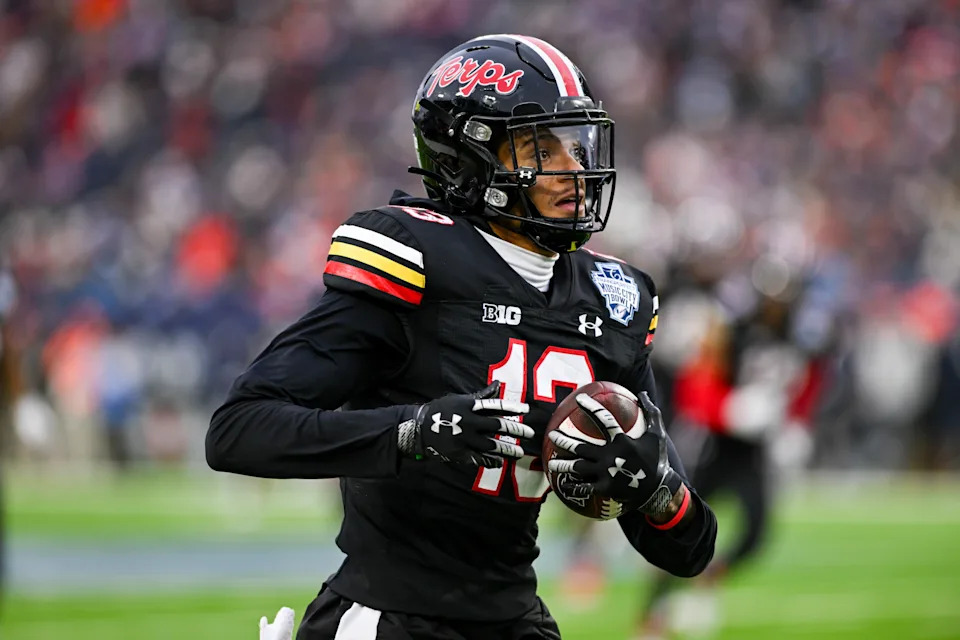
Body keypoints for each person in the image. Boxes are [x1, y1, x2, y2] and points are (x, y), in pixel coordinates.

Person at [207, 34, 717, 640]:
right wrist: (415, 430)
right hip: (390, 616)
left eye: (575, 143)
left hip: (514, 618)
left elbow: (690, 550)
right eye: (538, 147)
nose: (574, 168)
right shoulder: (418, 258)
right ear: (465, 157)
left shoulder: (612, 300)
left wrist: (652, 490)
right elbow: (238, 431)